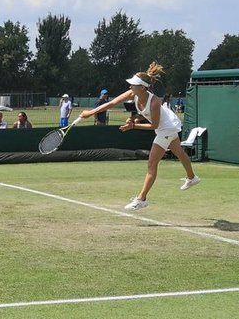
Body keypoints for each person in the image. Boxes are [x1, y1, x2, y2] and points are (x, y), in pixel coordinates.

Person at [79, 61, 199, 211]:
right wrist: (91, 113)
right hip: (166, 124)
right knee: (179, 152)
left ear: (143, 87)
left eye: (133, 85)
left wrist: (133, 125)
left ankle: (141, 199)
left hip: (166, 128)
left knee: (151, 164)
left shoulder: (155, 102)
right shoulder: (134, 94)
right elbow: (113, 103)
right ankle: (192, 178)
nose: (130, 87)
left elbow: (154, 125)